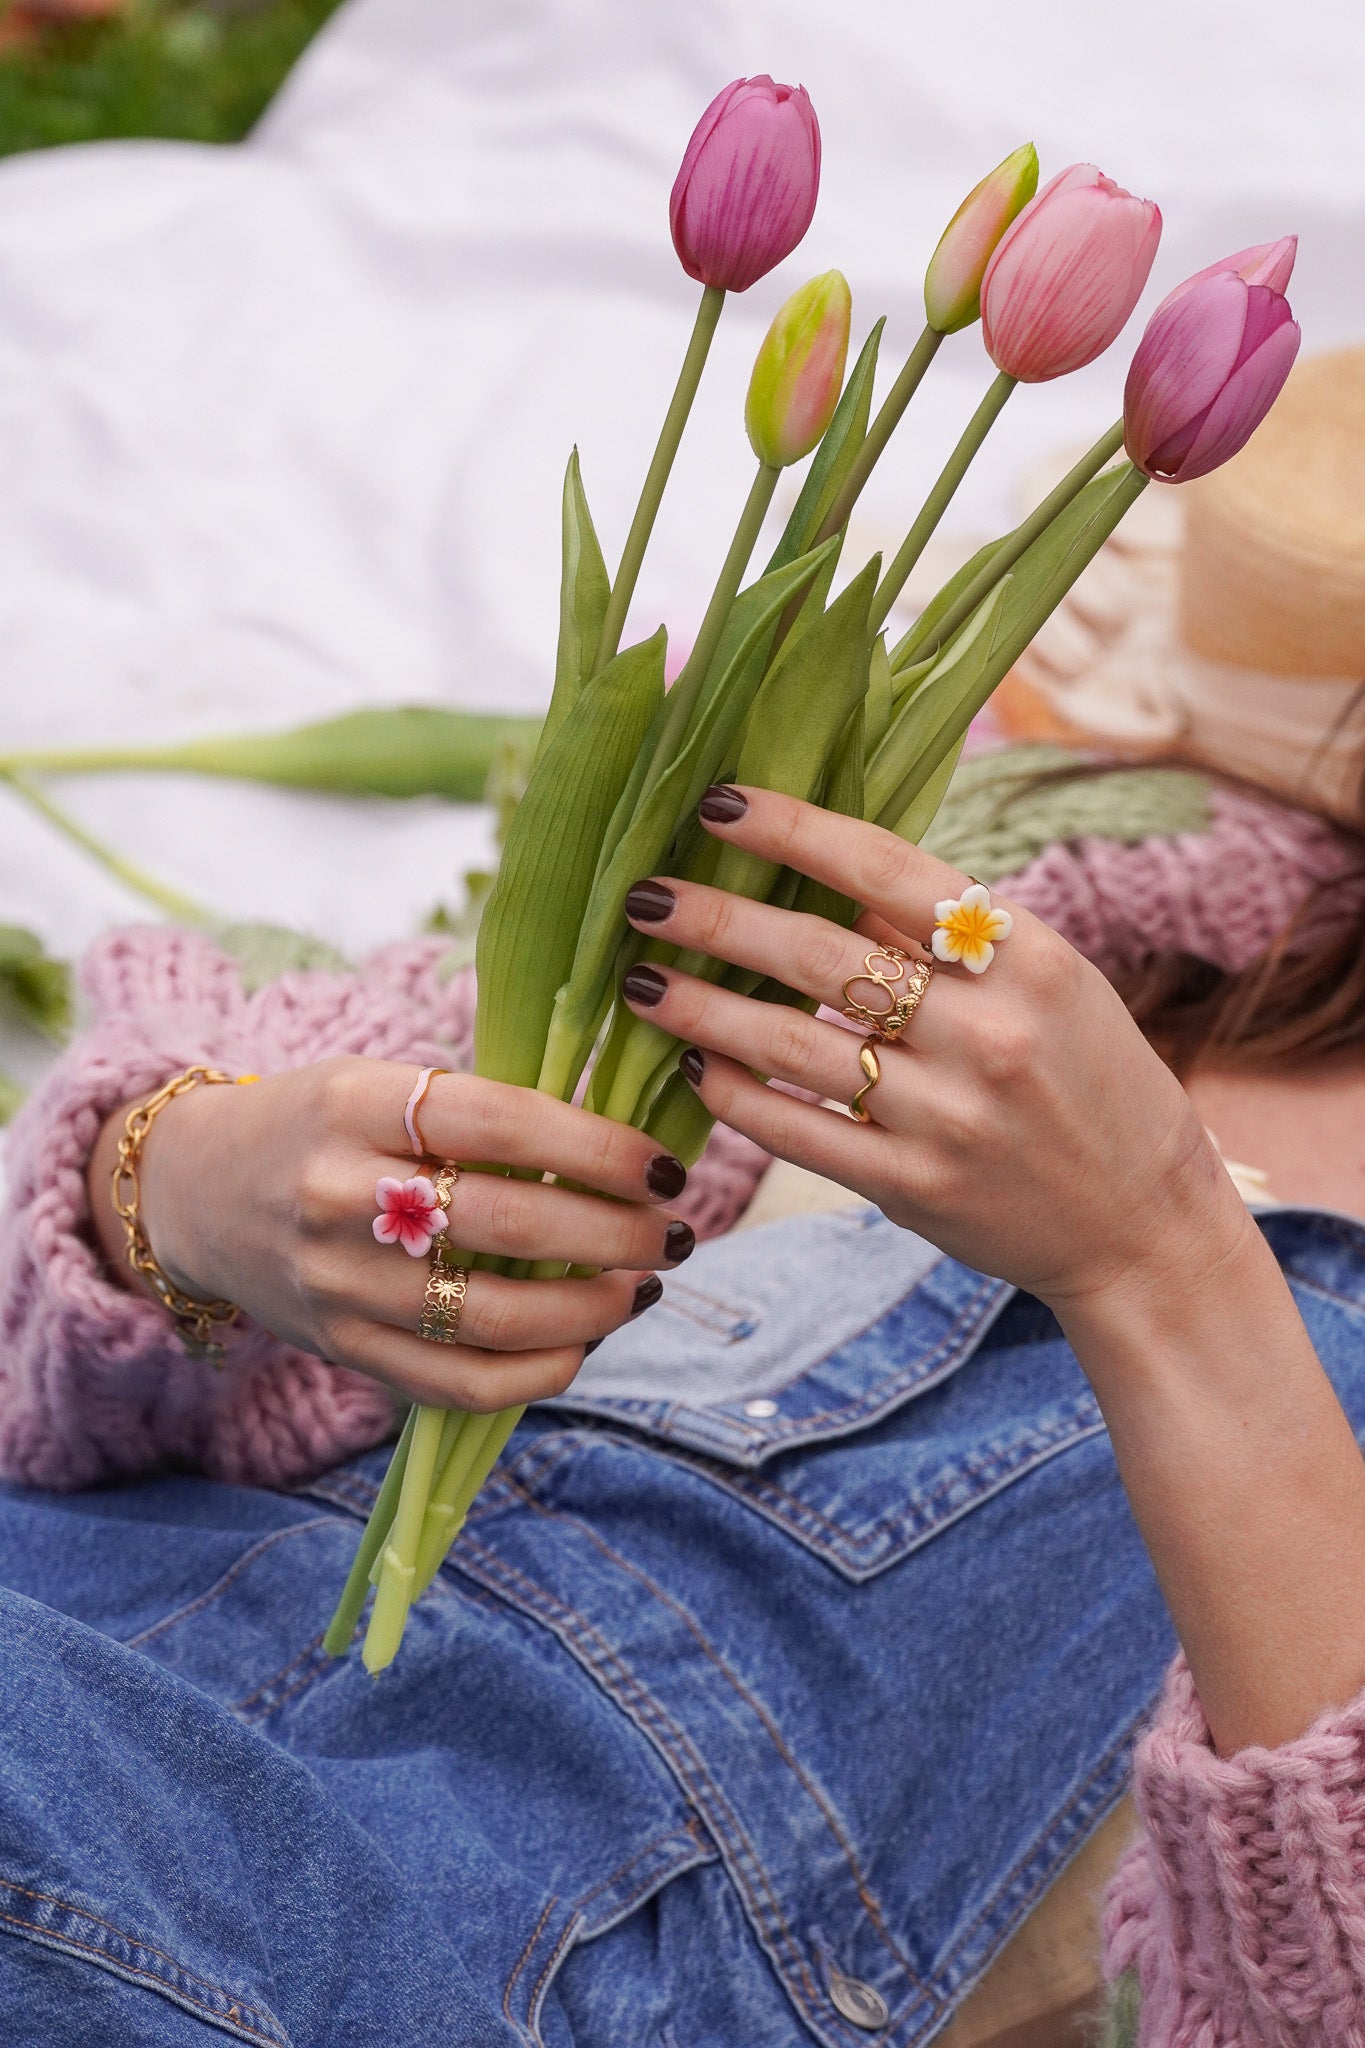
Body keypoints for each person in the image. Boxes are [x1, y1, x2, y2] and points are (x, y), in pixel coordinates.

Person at [3, 370, 1365, 2046]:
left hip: (383, 1951)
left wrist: (1158, 1249)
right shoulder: (1092, 902)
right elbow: (213, 1163)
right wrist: (178, 1191)